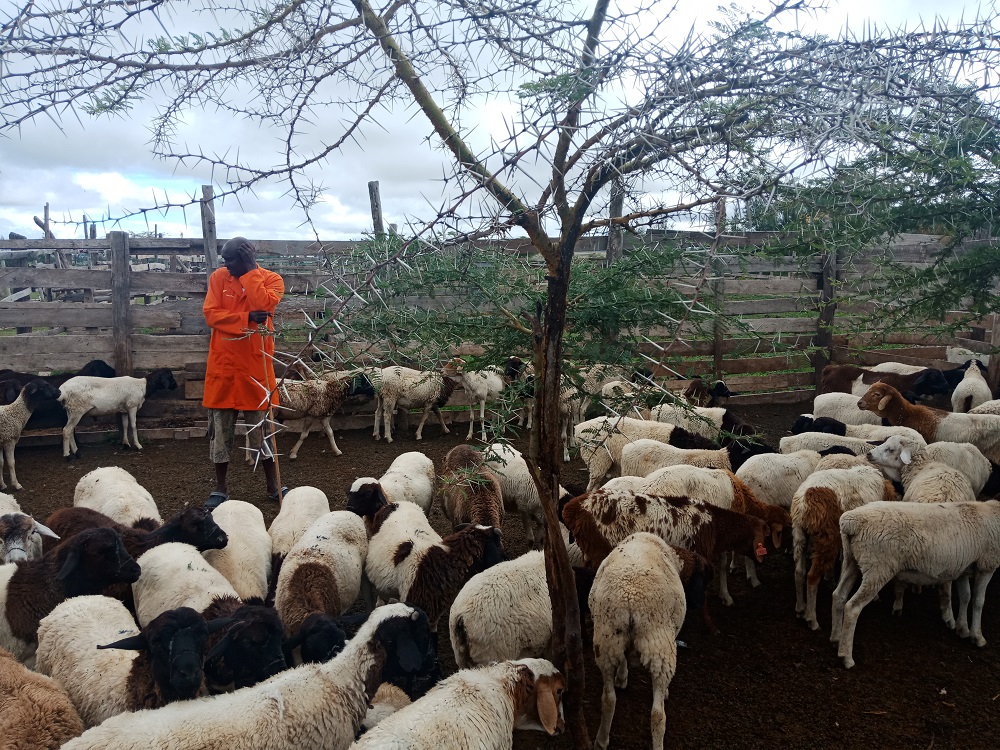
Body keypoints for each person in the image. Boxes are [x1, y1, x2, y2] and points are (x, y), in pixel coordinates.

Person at [202, 236, 286, 507]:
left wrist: (251, 273)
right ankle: (220, 487)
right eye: (224, 260)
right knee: (220, 434)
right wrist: (245, 318)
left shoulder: (272, 280)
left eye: (230, 260)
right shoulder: (219, 278)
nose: (226, 265)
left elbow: (263, 305)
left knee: (262, 431)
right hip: (223, 368)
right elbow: (211, 314)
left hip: (255, 370)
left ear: (246, 259)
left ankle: (273, 485)